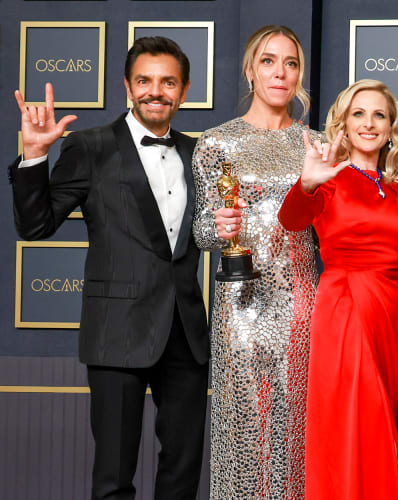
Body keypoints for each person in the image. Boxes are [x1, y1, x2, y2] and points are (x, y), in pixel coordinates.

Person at [9, 37, 209, 499]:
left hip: (186, 334)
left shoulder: (202, 152)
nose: (155, 91)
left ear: (185, 90)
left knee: (182, 472)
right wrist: (36, 156)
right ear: (127, 85)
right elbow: (36, 226)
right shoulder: (91, 146)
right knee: (114, 476)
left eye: (167, 82)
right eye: (144, 80)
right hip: (116, 332)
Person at [278, 78, 398, 500]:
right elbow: (292, 221)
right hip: (343, 309)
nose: (369, 124)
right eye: (358, 114)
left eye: (379, 115)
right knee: (352, 425)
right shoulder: (329, 178)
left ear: (391, 128)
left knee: (379, 422)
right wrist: (308, 183)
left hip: (390, 317)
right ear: (344, 126)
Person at [191, 25, 319, 498]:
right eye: (268, 61)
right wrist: (219, 226)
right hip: (239, 304)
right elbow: (201, 233)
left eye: (290, 63)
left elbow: (335, 230)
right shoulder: (215, 144)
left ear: (299, 73)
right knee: (243, 426)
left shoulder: (317, 144)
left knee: (299, 426)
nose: (280, 73)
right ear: (250, 70)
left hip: (303, 301)